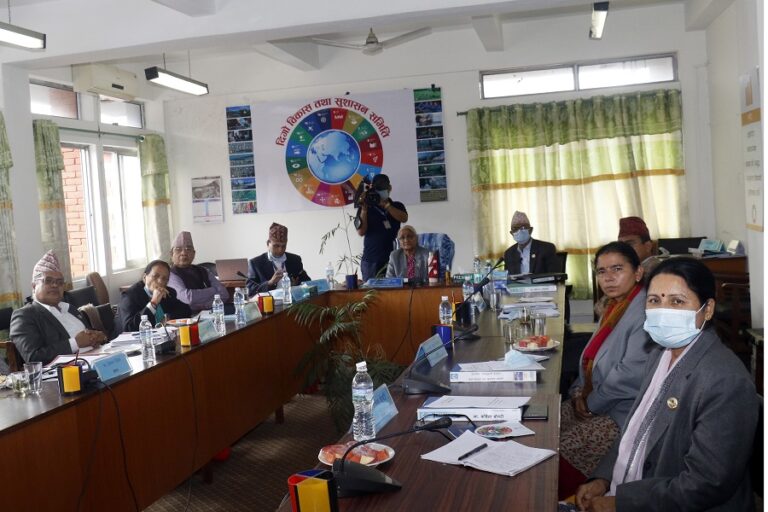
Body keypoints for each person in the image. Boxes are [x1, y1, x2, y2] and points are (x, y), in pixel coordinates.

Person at [576, 258, 759, 512]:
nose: (663, 311)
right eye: (654, 300)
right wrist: (603, 478)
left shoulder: (725, 381)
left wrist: (621, 503)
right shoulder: (660, 354)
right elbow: (636, 427)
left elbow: (706, 483)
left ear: (707, 309)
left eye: (677, 302)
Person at [559, 242, 657, 498]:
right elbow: (594, 355)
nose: (609, 278)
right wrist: (579, 392)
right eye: (602, 271)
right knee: (548, 426)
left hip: (623, 412)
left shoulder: (645, 311)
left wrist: (590, 403)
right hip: (597, 395)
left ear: (638, 272)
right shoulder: (614, 305)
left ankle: (565, 499)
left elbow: (629, 376)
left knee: (559, 451)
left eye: (617, 269)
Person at [10, 250, 106, 364]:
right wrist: (75, 343)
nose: (55, 285)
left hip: (98, 360)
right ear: (34, 286)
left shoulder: (71, 309)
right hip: (68, 370)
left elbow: (88, 335)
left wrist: (98, 336)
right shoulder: (24, 316)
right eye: (48, 281)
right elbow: (33, 357)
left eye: (60, 282)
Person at [356, 174, 408, 281]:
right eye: (378, 189)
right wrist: (364, 210)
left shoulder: (397, 205)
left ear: (390, 188)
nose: (381, 191)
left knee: (395, 288)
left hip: (393, 258)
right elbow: (361, 232)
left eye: (383, 188)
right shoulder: (367, 206)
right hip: (371, 260)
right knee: (372, 290)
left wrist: (386, 205)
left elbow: (404, 218)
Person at [116, 260, 191, 334]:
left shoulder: (168, 292)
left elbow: (186, 310)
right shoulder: (129, 296)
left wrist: (168, 317)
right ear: (144, 277)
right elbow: (129, 328)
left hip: (160, 337)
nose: (160, 281)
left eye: (164, 278)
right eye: (155, 276)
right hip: (133, 340)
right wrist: (153, 303)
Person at [167, 230, 230, 313]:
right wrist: (214, 290)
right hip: (185, 317)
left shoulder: (203, 270)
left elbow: (224, 294)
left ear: (194, 254)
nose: (184, 253)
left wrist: (203, 305)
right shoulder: (170, 274)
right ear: (171, 254)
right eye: (178, 249)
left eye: (188, 249)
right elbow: (188, 298)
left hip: (210, 314)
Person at [247, 222, 310, 296]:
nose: (280, 250)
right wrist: (270, 282)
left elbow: (307, 282)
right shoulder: (255, 263)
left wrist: (296, 284)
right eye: (276, 246)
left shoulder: (295, 260)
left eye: (283, 246)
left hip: (292, 300)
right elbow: (250, 291)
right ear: (268, 243)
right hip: (269, 302)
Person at [503, 211, 558, 275]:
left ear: (531, 230)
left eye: (523, 227)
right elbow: (507, 278)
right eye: (515, 228)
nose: (519, 231)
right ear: (511, 233)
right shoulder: (509, 253)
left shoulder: (546, 248)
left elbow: (554, 276)